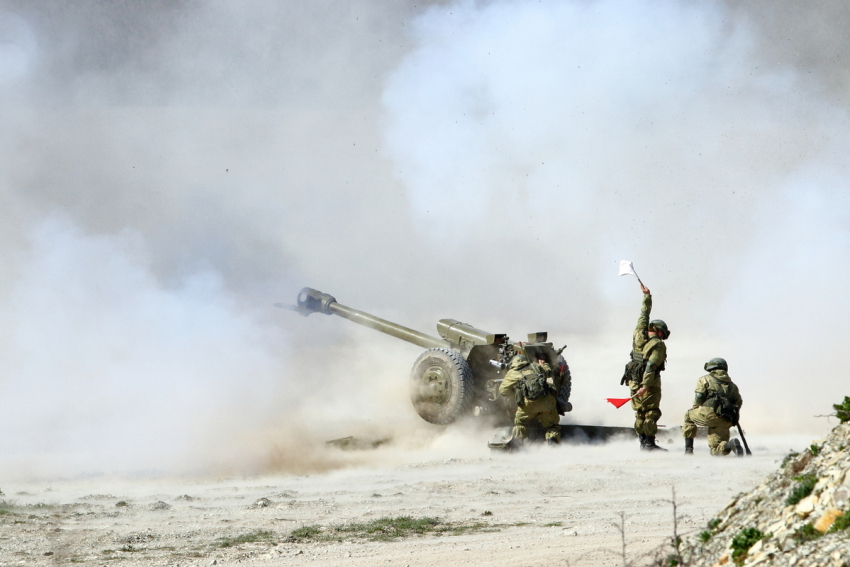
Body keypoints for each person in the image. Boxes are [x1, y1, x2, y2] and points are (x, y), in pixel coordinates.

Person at [625, 283, 670, 451]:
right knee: (651, 412)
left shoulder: (638, 334)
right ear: (659, 331)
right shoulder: (657, 345)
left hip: (633, 382)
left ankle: (642, 443)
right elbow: (651, 366)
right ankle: (649, 444)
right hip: (647, 383)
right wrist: (646, 386)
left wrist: (647, 296)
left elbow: (643, 315)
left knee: (639, 413)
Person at [683, 358, 744, 456]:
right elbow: (738, 403)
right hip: (726, 419)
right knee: (716, 450)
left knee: (688, 416)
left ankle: (688, 450)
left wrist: (696, 409)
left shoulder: (704, 379)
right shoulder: (732, 385)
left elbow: (699, 397)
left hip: (710, 415)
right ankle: (730, 444)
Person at [499, 353, 561, 445]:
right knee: (552, 425)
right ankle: (552, 442)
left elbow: (503, 391)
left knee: (520, 423)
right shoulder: (535, 366)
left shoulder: (512, 372)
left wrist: (516, 391)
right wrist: (543, 364)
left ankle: (518, 444)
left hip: (528, 405)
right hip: (547, 402)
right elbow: (549, 372)